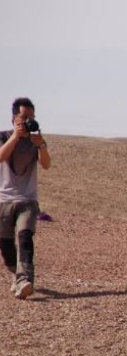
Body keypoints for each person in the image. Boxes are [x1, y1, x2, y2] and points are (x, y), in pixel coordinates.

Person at [0, 97, 51, 300]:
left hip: (28, 199)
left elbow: (46, 164)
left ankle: (24, 281)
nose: (28, 120)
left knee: (25, 237)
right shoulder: (4, 136)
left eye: (31, 117)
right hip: (4, 199)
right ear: (14, 118)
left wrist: (41, 146)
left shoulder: (36, 140)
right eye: (24, 117)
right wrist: (15, 136)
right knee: (5, 244)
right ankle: (15, 273)